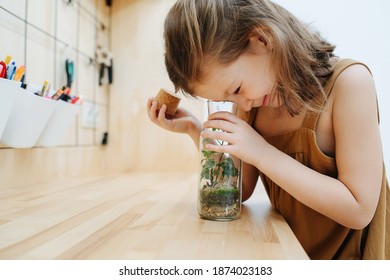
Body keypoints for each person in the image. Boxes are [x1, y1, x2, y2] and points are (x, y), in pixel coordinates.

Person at [147, 0, 389, 259]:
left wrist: (261, 152)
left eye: (236, 89)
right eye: (230, 99)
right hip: (293, 255)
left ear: (262, 38)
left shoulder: (351, 84)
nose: (241, 104)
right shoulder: (253, 101)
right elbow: (240, 191)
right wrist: (195, 130)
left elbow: (359, 211)